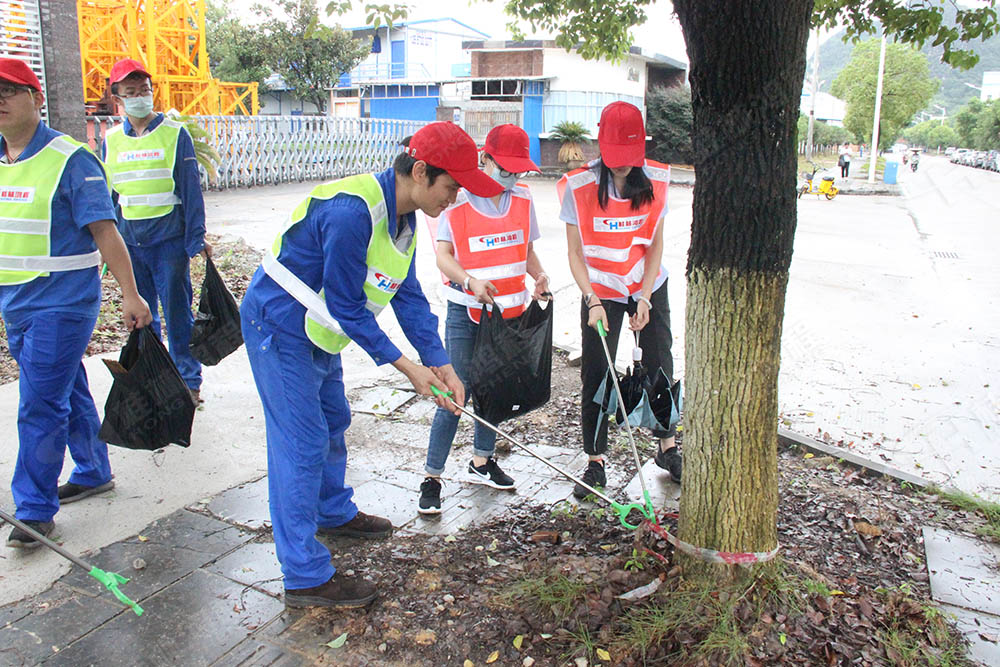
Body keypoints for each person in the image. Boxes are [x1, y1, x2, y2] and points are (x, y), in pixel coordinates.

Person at [240, 121, 499, 608]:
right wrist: (409, 369)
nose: (456, 198)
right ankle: (303, 575)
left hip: (319, 328)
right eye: (452, 186)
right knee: (301, 442)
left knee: (334, 420)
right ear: (421, 172)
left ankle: (331, 511)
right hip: (278, 323)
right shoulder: (351, 213)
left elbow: (410, 298)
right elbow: (346, 305)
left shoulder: (406, 221)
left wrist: (442, 364)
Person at [0, 58, 152, 548]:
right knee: (65, 386)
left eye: (9, 90)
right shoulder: (4, 159)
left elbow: (106, 232)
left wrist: (130, 293)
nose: (0, 100)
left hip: (61, 304)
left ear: (37, 98)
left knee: (39, 403)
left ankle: (33, 509)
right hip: (16, 302)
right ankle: (92, 469)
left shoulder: (71, 160)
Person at [418, 124, 551, 515]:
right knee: (456, 394)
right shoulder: (456, 201)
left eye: (517, 170)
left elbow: (525, 249)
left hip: (509, 312)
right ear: (485, 160)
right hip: (465, 311)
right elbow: (443, 256)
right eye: (504, 168)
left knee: (493, 389)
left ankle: (482, 460)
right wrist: (470, 280)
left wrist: (538, 277)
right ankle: (432, 477)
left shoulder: (523, 198)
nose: (511, 177)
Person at [558, 101, 682, 499]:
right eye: (615, 161)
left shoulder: (658, 179)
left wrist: (645, 297)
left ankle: (667, 446)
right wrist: (591, 299)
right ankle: (595, 461)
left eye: (629, 161)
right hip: (600, 291)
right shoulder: (578, 187)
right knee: (598, 371)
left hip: (646, 283)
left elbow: (656, 244)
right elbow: (575, 254)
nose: (622, 169)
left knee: (660, 362)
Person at [100, 59, 210, 405]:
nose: (138, 98)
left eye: (144, 91)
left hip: (168, 241)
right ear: (118, 98)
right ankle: (153, 378)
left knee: (178, 313)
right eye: (130, 92)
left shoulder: (174, 134)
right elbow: (110, 195)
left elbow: (190, 190)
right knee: (142, 316)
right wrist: (108, 248)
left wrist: (195, 238)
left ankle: (188, 382)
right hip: (131, 241)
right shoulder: (112, 139)